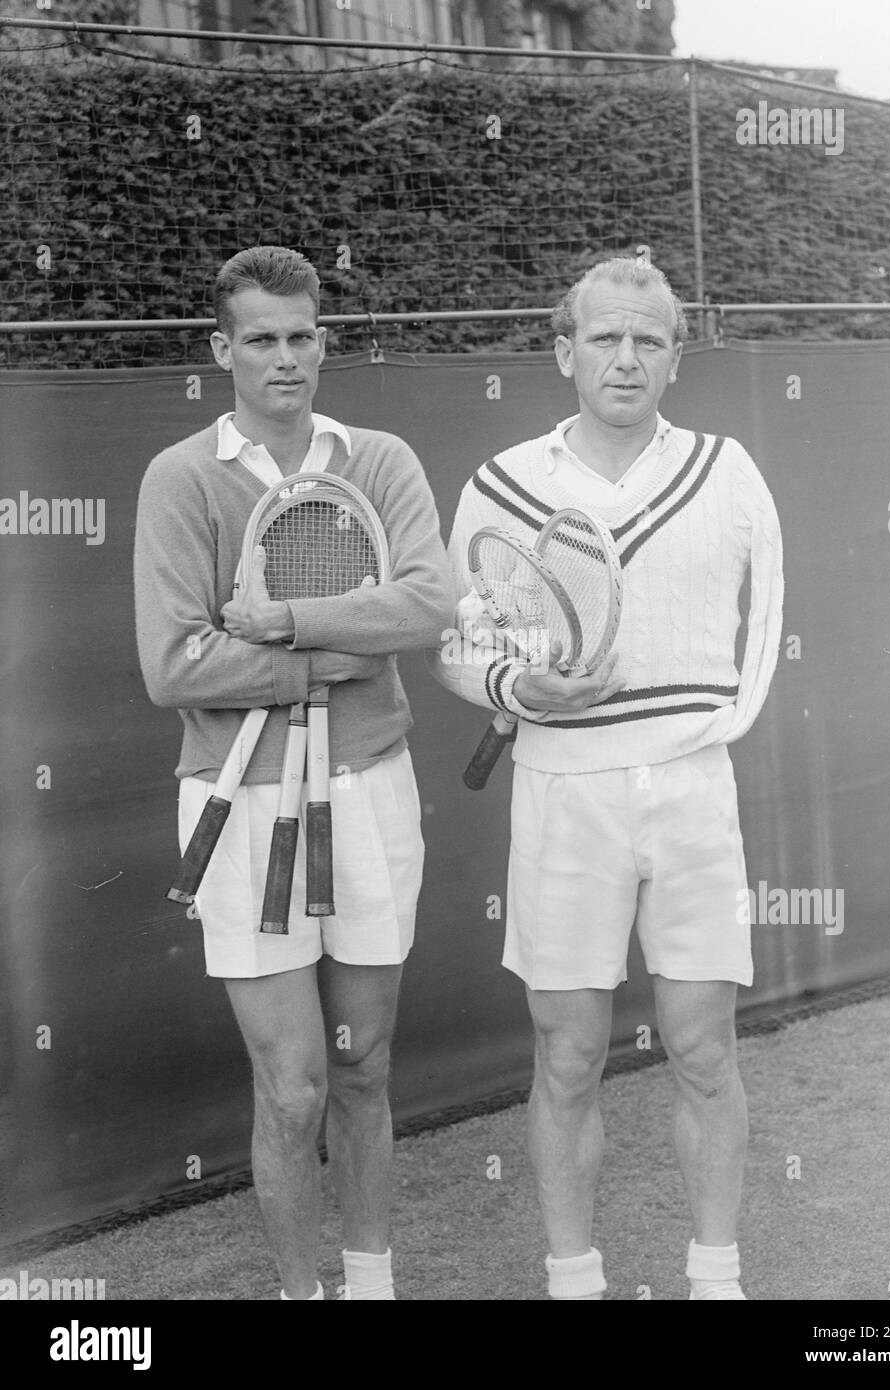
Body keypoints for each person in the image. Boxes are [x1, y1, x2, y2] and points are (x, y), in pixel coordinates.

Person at [430, 257, 783, 1300]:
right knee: (568, 1050)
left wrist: (697, 734)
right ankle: (573, 1283)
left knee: (703, 1044)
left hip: (691, 792)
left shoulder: (729, 471)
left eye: (649, 340)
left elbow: (763, 633)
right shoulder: (499, 483)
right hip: (560, 794)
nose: (625, 358)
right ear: (563, 352)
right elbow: (460, 647)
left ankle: (716, 1282)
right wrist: (527, 692)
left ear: (676, 357)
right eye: (604, 338)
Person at [134, 245, 452, 1301]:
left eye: (302, 336)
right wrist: (336, 654)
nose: (285, 358)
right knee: (295, 1084)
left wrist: (277, 623)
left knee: (362, 1064)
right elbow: (175, 664)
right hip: (241, 800)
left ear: (324, 340)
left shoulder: (385, 459)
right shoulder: (181, 477)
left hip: (369, 787)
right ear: (223, 349)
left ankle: (371, 1286)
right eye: (260, 339)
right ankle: (300, 1295)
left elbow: (426, 604)